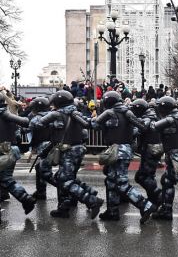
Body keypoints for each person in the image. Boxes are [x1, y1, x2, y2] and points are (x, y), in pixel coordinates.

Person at [37, 90, 103, 219]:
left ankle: (92, 200)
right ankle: (64, 207)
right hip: (77, 150)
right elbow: (87, 126)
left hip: (69, 151)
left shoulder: (57, 114)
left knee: (64, 180)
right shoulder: (75, 113)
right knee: (65, 178)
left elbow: (37, 123)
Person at [92, 91, 157, 223]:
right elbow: (141, 127)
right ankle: (112, 211)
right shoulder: (128, 112)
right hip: (123, 150)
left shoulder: (109, 112)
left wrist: (92, 119)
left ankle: (145, 205)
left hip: (117, 151)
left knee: (121, 184)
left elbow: (94, 125)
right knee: (111, 181)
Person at [0, 93, 36, 222]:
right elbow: (20, 131)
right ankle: (26, 198)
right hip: (12, 150)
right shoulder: (10, 116)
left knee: (5, 179)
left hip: (2, 151)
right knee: (6, 179)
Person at [130, 99, 163, 207]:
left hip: (151, 149)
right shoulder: (152, 114)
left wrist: (127, 130)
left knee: (143, 177)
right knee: (148, 176)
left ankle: (158, 196)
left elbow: (141, 128)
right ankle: (154, 199)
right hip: (153, 148)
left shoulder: (148, 117)